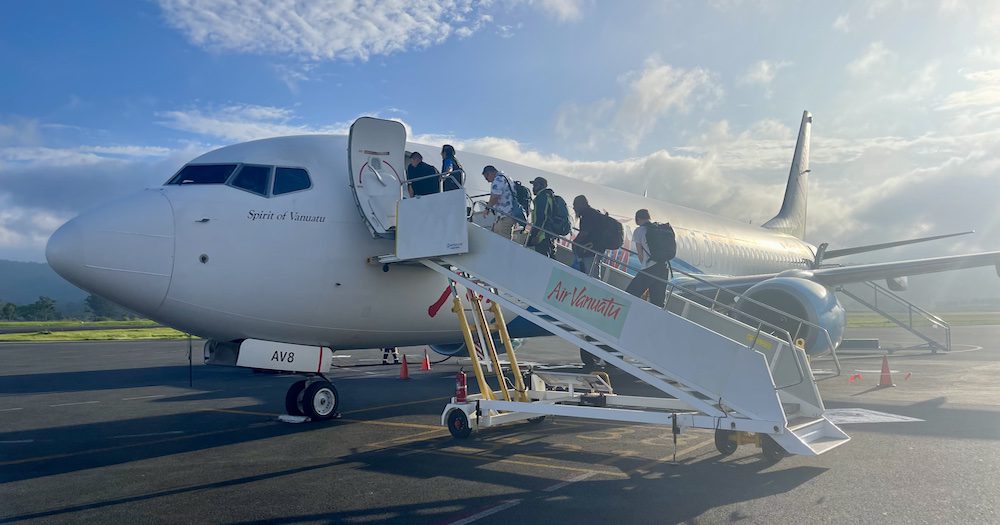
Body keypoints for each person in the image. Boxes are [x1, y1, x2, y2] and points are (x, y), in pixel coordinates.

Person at [625, 209, 670, 307]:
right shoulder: (658, 229)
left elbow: (640, 253)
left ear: (638, 219)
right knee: (657, 303)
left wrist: (644, 265)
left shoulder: (639, 231)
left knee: (630, 293)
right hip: (664, 268)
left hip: (650, 267)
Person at [480, 165, 516, 239]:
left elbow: (495, 197)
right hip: (506, 214)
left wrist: (487, 209)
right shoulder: (506, 177)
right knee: (497, 235)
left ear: (490, 173)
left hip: (505, 214)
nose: (487, 180)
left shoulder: (498, 180)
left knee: (503, 239)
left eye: (486, 177)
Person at [571, 195, 603, 277]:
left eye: (575, 205)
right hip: (594, 250)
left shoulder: (587, 215)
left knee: (590, 275)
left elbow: (584, 233)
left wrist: (575, 243)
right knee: (590, 274)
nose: (574, 208)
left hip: (590, 251)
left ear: (581, 204)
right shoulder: (593, 213)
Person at [527, 176, 555, 257]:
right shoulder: (547, 196)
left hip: (542, 236)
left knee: (541, 258)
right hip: (547, 234)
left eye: (535, 185)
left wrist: (536, 235)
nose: (533, 188)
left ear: (541, 186)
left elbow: (541, 218)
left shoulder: (542, 197)